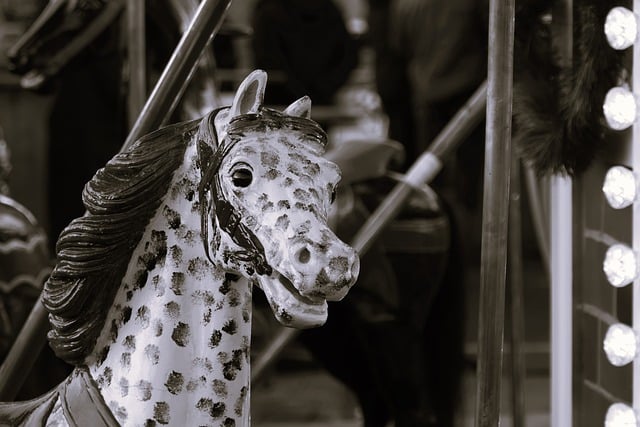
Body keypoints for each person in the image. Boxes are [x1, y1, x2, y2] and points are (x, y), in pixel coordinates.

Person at [250, 0, 358, 106]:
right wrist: (325, 87)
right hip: (319, 101)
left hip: (280, 105)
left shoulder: (270, 10)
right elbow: (348, 57)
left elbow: (267, 59)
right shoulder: (331, 10)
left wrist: (299, 90)